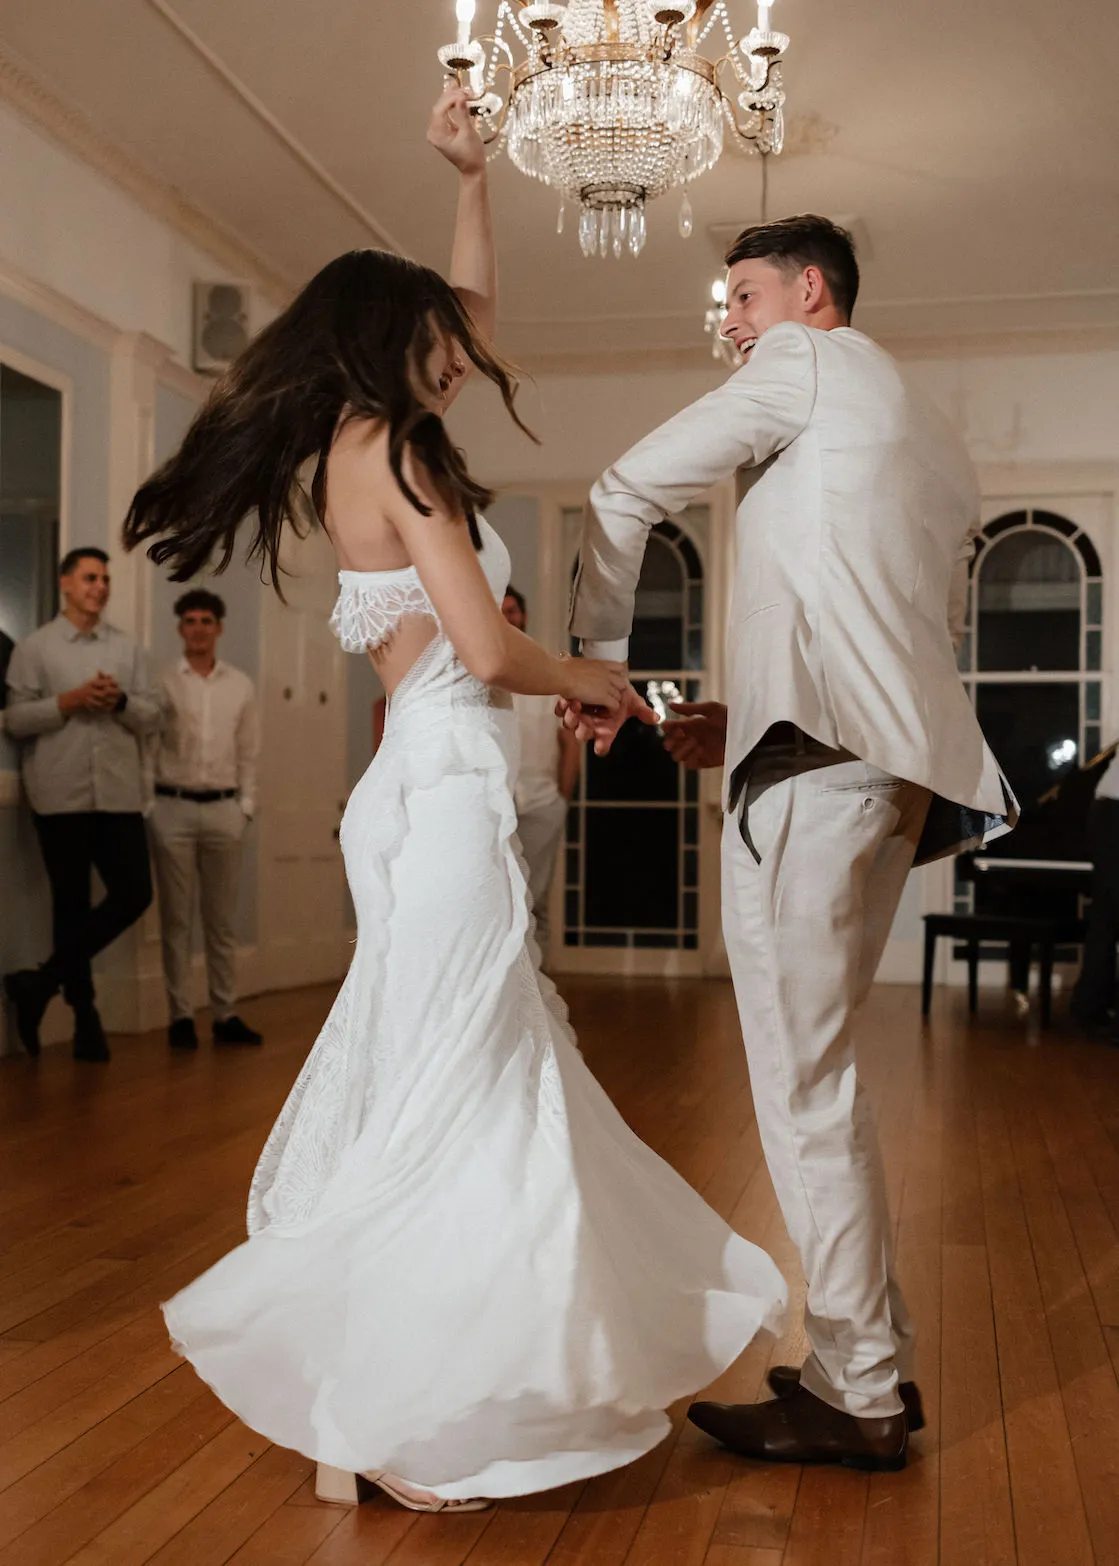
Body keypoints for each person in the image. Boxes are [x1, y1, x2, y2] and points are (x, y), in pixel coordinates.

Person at [121, 85, 784, 1515]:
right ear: (394, 343)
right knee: (455, 1089)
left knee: (445, 1073)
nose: (464, 351)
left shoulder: (351, 445)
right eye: (437, 335)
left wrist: (471, 176)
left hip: (408, 792)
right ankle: (397, 1400)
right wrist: (594, 685)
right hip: (441, 788)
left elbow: (466, 314)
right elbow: (486, 650)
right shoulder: (410, 453)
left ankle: (385, 1398)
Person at [566, 215, 1016, 1472]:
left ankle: (861, 1386)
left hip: (817, 779)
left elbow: (621, 490)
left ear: (812, 291)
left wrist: (596, 668)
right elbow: (871, 605)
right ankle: (853, 1361)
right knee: (824, 1077)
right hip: (888, 773)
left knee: (806, 1087)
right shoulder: (930, 428)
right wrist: (740, 715)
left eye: (747, 294)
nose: (731, 321)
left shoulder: (803, 364)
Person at [3, 547, 160, 1061]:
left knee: (134, 892)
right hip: (59, 792)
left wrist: (118, 702)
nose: (100, 587)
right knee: (69, 906)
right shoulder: (34, 648)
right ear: (66, 583)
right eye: (90, 578)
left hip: (117, 793)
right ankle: (85, 1019)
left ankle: (40, 982)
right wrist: (67, 702)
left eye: (105, 579)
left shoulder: (128, 649)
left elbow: (154, 715)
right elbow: (15, 720)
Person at [151, 589, 262, 1051]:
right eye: (190, 620)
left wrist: (246, 807)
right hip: (170, 809)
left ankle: (225, 1013)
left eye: (206, 620)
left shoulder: (241, 686)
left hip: (224, 810)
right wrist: (148, 806)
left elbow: (249, 750)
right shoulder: (162, 684)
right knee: (176, 920)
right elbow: (148, 746)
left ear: (218, 628)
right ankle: (180, 1016)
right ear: (180, 629)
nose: (198, 628)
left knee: (220, 921)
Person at [501, 586, 580, 957]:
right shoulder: (479, 671)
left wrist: (562, 797)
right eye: (499, 611)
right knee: (497, 898)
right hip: (493, 807)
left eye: (513, 610)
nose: (507, 618)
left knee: (535, 894)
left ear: (524, 615)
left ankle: (536, 982)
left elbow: (570, 742)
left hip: (542, 802)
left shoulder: (547, 672)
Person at [1071, 746, 1119, 1033]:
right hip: (1114, 812)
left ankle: (1089, 1008)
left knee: (1106, 913)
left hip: (1107, 812)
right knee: (1108, 913)